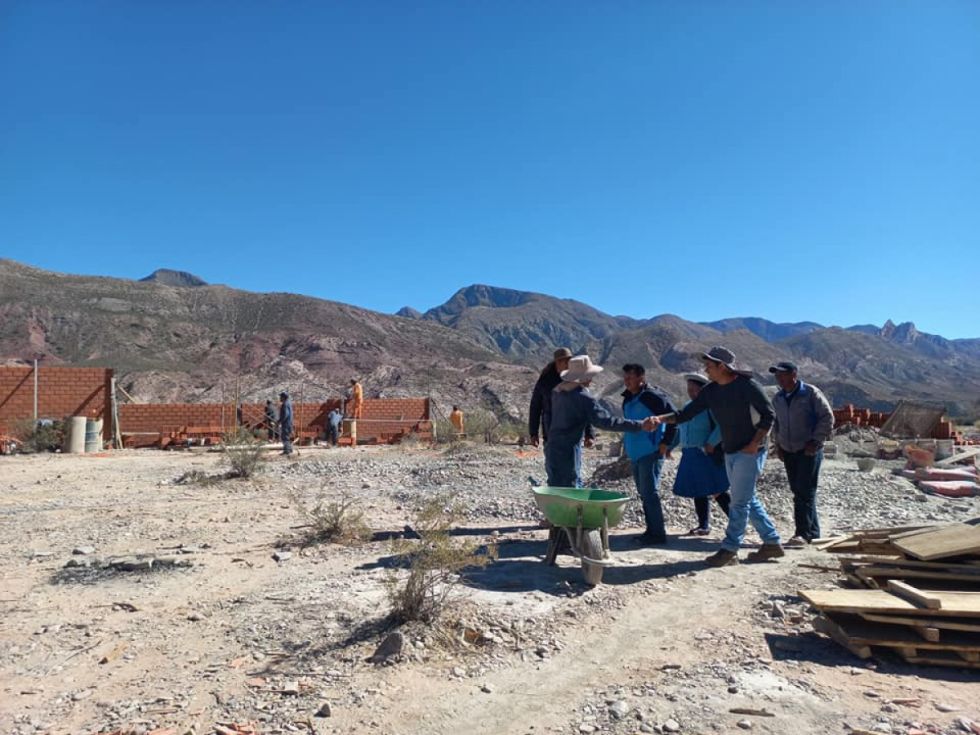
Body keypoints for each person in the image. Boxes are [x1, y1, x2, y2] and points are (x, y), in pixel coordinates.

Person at [652, 346, 783, 567]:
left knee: (739, 502)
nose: (706, 369)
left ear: (722, 367)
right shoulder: (711, 391)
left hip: (750, 451)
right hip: (731, 450)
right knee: (747, 498)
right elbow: (685, 415)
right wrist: (659, 420)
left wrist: (754, 443)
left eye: (710, 366)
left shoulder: (748, 386)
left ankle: (730, 549)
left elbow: (769, 415)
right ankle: (771, 542)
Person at [546, 355, 657, 488]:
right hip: (568, 450)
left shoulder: (558, 391)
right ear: (585, 377)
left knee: (555, 488)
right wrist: (639, 425)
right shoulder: (584, 398)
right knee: (570, 490)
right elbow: (606, 422)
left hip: (552, 447)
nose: (591, 379)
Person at [769, 361, 834, 547]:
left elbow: (827, 417)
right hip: (789, 451)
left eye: (783, 375)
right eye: (777, 376)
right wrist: (778, 444)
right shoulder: (778, 398)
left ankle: (802, 533)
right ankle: (814, 533)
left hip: (808, 450)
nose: (779, 379)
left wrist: (815, 441)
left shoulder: (811, 393)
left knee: (803, 492)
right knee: (800, 491)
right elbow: (777, 424)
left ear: (794, 374)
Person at [621, 364, 677, 545]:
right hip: (636, 453)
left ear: (641, 378)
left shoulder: (652, 397)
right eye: (625, 377)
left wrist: (665, 443)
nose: (626, 380)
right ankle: (651, 530)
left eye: (630, 377)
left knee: (649, 492)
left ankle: (658, 533)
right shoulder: (628, 398)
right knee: (643, 492)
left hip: (650, 451)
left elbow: (674, 417)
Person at [672, 372, 731, 536]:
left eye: (695, 389)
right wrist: (670, 447)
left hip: (705, 453)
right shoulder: (687, 407)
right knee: (698, 490)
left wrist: (711, 443)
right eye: (689, 389)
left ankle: (736, 522)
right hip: (690, 453)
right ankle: (703, 525)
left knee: (717, 488)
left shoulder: (710, 406)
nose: (692, 392)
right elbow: (680, 428)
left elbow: (721, 426)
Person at [529, 348, 596, 484]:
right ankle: (555, 501)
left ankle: (575, 501)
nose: (567, 364)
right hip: (551, 434)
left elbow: (584, 407)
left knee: (573, 473)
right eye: (564, 362)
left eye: (569, 361)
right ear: (557, 363)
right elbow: (535, 407)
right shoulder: (544, 382)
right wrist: (533, 433)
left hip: (573, 435)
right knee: (554, 472)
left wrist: (590, 434)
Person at [278, 391, 294, 456]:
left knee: (285, 437)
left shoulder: (285, 404)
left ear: (283, 397)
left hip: (286, 423)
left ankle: (287, 451)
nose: (280, 398)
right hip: (289, 423)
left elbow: (285, 415)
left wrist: (280, 421)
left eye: (280, 397)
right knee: (287, 436)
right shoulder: (289, 403)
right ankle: (290, 449)